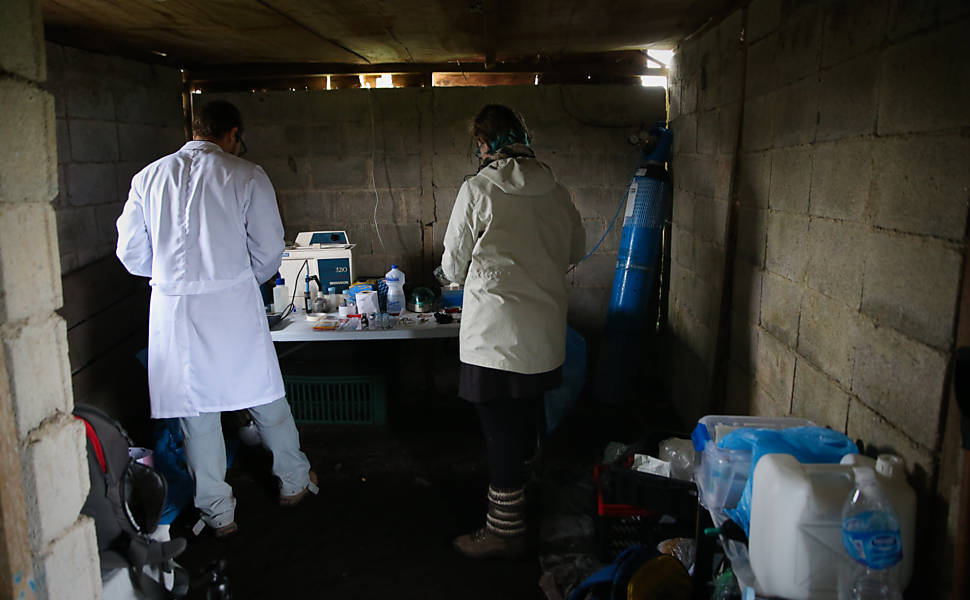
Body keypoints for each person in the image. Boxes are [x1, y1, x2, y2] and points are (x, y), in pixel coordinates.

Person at [116, 100, 316, 538]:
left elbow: (131, 255)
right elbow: (268, 251)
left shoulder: (148, 177)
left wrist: (173, 277)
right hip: (232, 306)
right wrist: (234, 280)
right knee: (264, 395)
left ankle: (218, 513)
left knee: (196, 413)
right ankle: (295, 483)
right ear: (233, 134)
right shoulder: (245, 175)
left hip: (174, 310)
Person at [441, 104, 586, 559]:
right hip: (543, 339)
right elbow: (575, 249)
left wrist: (471, 277)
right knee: (523, 422)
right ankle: (523, 496)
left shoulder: (478, 189)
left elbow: (451, 265)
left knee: (500, 430)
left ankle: (504, 530)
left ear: (484, 145)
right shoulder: (557, 191)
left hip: (494, 341)